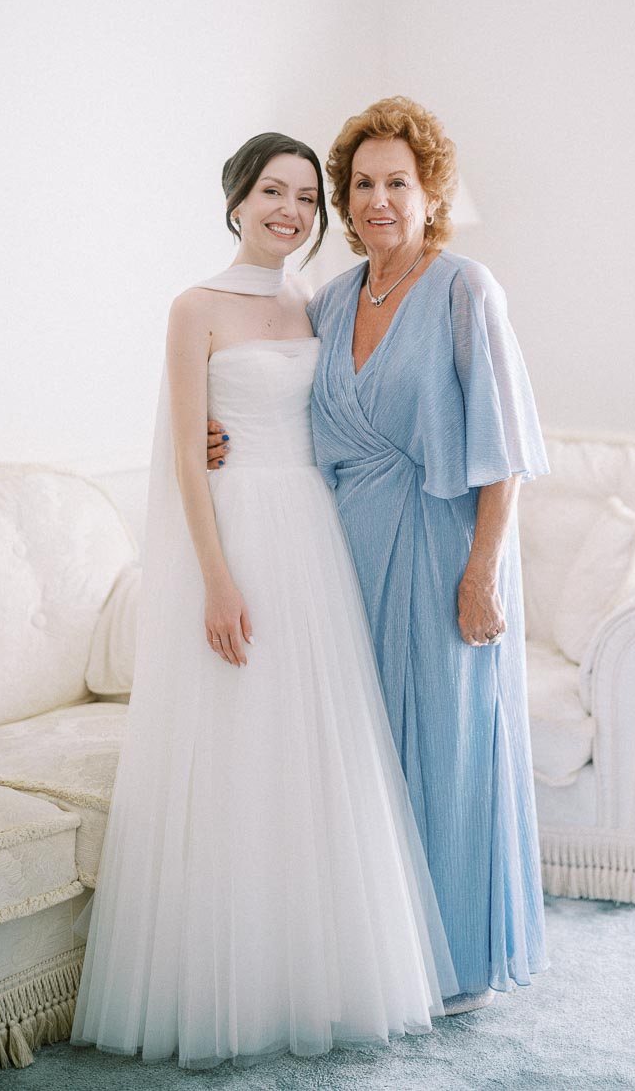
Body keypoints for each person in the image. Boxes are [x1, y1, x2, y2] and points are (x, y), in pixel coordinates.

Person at [70, 132, 457, 1073]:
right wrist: (215, 579)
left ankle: (309, 975)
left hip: (311, 535)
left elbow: (339, 412)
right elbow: (183, 453)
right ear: (237, 202)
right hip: (236, 535)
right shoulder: (194, 306)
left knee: (309, 750)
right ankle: (227, 984)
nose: (291, 210)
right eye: (273, 192)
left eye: (306, 198)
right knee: (234, 742)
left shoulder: (313, 303)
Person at [209, 98, 550, 1012]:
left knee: (448, 748)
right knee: (369, 756)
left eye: (398, 181)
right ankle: (382, 962)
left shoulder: (466, 288)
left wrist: (482, 574)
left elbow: (506, 450)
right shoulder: (327, 302)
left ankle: (457, 965)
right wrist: (216, 431)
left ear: (431, 193)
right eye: (362, 184)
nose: (378, 200)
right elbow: (280, 405)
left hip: (445, 553)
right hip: (345, 551)